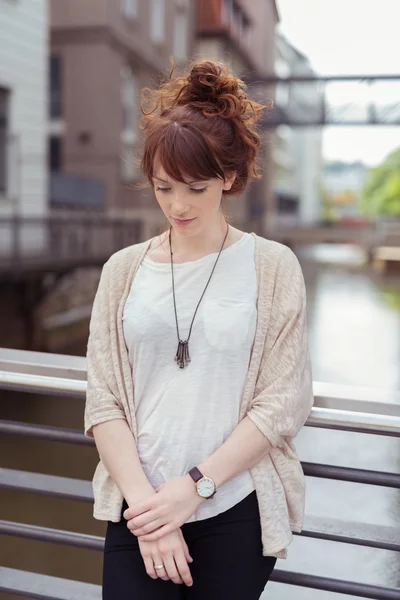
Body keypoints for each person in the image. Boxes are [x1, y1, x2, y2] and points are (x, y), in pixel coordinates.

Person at [84, 59, 313, 600]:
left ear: (229, 178)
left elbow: (283, 399)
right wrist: (150, 510)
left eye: (196, 187)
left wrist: (194, 490)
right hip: (137, 505)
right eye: (164, 188)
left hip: (234, 507)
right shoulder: (123, 270)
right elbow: (104, 399)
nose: (178, 205)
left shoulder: (273, 266)